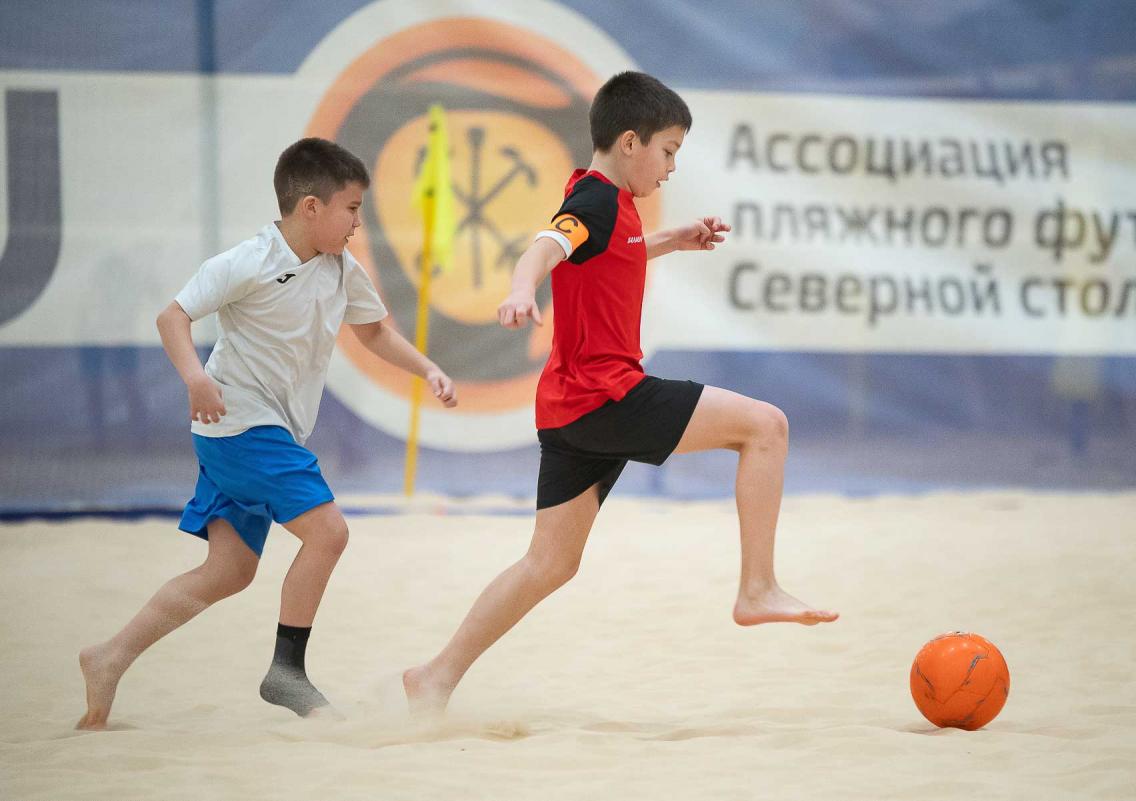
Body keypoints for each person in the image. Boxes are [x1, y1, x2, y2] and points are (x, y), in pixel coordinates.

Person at [403, 72, 837, 714]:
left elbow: (608, 254)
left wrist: (671, 241)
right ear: (631, 142)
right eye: (669, 151)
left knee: (549, 564)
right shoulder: (595, 200)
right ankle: (758, 588)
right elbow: (546, 246)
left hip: (569, 409)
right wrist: (521, 288)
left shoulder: (610, 202)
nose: (671, 167)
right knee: (766, 426)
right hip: (608, 395)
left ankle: (434, 676)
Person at [77, 137, 457, 729]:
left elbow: (374, 332)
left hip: (261, 431)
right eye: (352, 208)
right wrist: (195, 379)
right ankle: (286, 672)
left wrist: (427, 369)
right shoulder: (249, 261)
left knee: (229, 571)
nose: (358, 222)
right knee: (329, 532)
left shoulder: (340, 268)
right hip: (239, 424)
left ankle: (109, 656)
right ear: (311, 207)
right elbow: (172, 317)